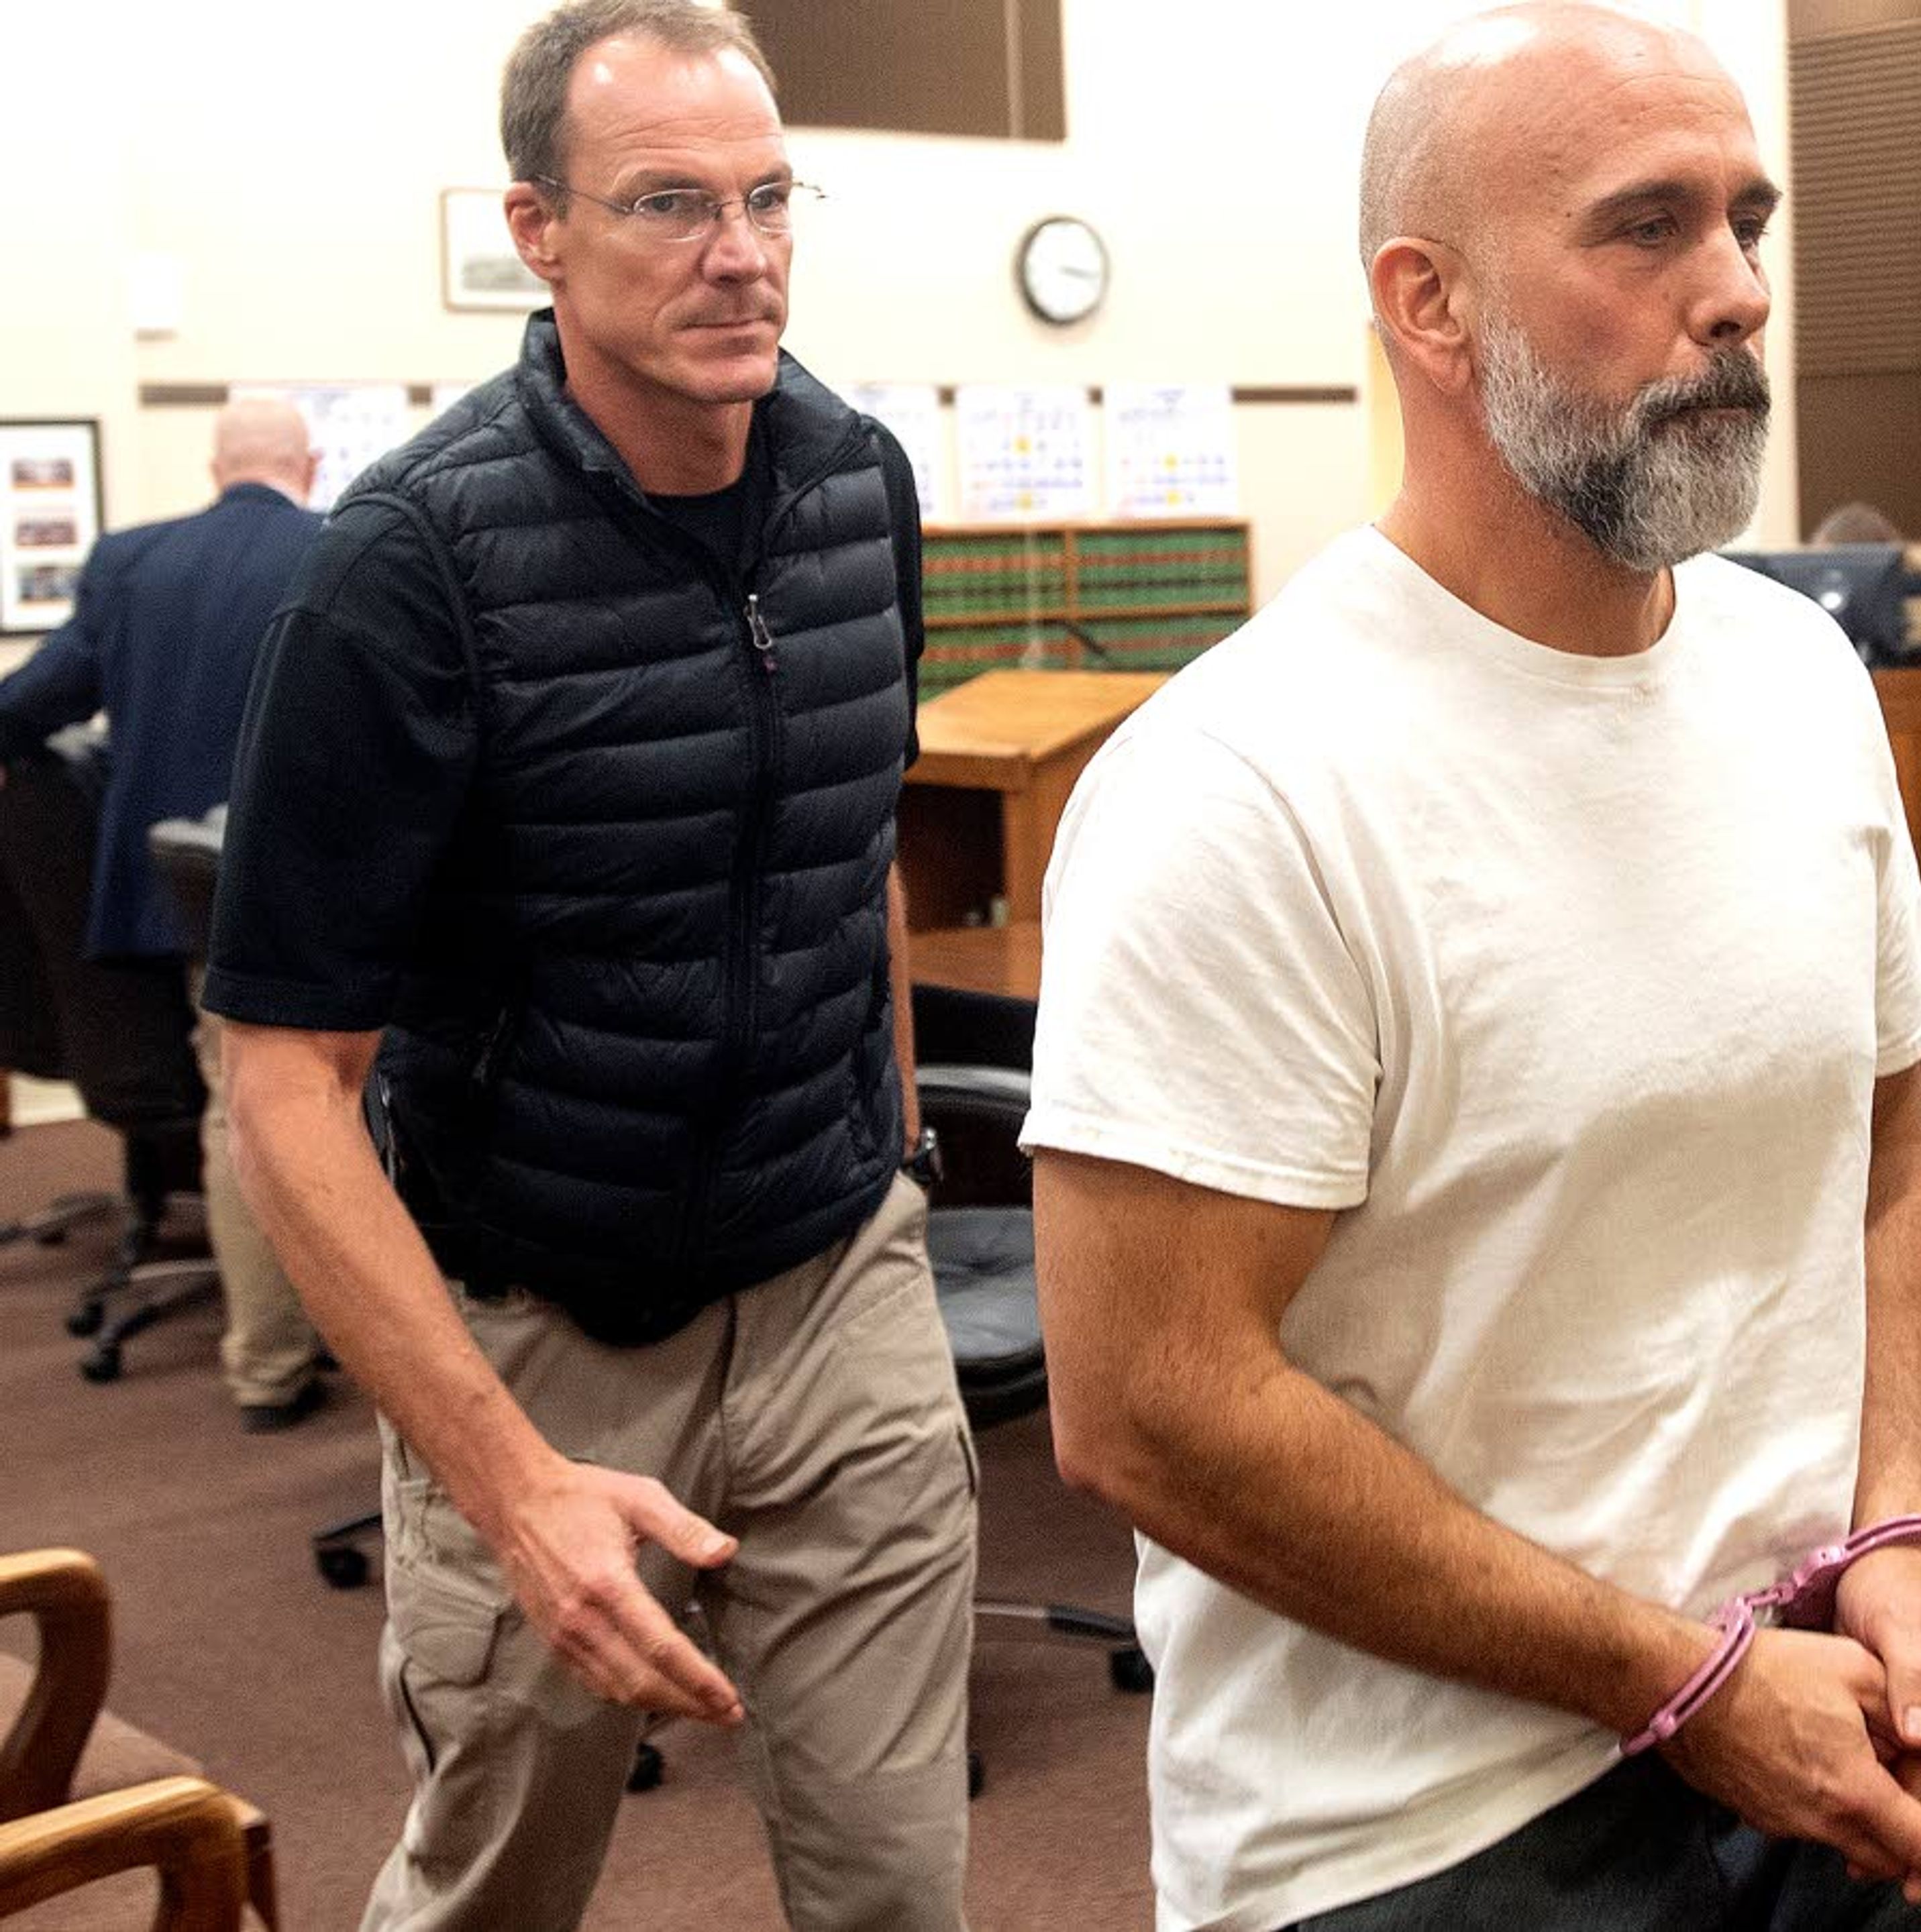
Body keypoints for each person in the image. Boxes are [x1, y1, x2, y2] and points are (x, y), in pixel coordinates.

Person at [1021, 7, 1921, 1929]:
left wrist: (1890, 1523)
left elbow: (1886, 1153)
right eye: (1645, 228)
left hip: (1822, 1709)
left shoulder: (1809, 688)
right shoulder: (1240, 784)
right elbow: (1149, 1405)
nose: (1736, 294)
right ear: (1432, 302)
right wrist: (1672, 1680)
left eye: (1751, 222)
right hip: (1421, 1833)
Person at [202, 3, 974, 1925]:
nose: (743, 251)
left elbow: (851, 848)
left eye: (770, 196)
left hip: (832, 1284)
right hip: (539, 1324)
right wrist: (505, 1474)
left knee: (899, 1887)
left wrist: (889, 1167)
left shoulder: (858, 487)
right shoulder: (405, 565)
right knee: (495, 1893)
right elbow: (282, 1084)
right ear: (538, 234)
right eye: (670, 205)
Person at [0, 398, 327, 1428]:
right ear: (307, 466)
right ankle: (278, 1362)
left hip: (161, 906)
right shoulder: (343, 552)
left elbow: (27, 707)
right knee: (301, 1113)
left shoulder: (132, 561)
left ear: (216, 465)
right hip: (310, 900)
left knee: (245, 1105)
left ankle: (271, 1362)